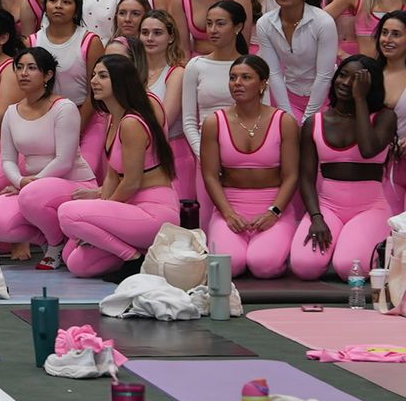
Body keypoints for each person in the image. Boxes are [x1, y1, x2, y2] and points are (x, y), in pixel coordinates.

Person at [55, 56, 179, 277]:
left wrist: (100, 214)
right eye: (93, 75)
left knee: (67, 214)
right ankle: (139, 251)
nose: (94, 81)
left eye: (103, 76)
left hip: (154, 212)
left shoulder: (132, 122)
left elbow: (131, 183)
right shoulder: (113, 118)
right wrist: (100, 207)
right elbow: (113, 175)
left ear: (121, 81)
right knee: (74, 260)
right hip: (130, 209)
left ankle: (133, 259)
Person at [0, 48, 95, 269]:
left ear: (48, 75)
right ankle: (51, 241)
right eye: (20, 67)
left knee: (32, 196)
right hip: (32, 187)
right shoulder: (12, 112)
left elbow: (64, 160)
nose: (23, 73)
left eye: (32, 68)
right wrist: (20, 182)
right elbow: (7, 159)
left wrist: (29, 184)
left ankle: (55, 246)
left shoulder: (64, 107)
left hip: (72, 182)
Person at [291, 55, 395, 281]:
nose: (346, 83)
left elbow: (368, 149)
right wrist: (316, 217)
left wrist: (360, 100)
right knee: (303, 266)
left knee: (348, 267)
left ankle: (368, 245)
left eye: (356, 80)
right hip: (328, 208)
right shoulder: (314, 123)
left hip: (370, 208)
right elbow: (306, 179)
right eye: (343, 75)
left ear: (369, 85)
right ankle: (344, 242)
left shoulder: (385, 118)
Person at [200, 56, 297, 278]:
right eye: (233, 78)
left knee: (263, 266)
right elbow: (210, 176)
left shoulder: (284, 122)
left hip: (273, 207)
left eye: (246, 77)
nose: (237, 83)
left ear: (263, 83)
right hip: (230, 206)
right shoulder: (214, 122)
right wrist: (228, 213)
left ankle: (276, 249)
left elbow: (292, 176)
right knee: (229, 267)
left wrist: (274, 212)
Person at [257, 0, 336, 119]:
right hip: (287, 96)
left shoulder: (323, 22)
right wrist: (288, 114)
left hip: (325, 96)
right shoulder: (265, 23)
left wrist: (308, 117)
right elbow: (274, 73)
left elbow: (324, 75)